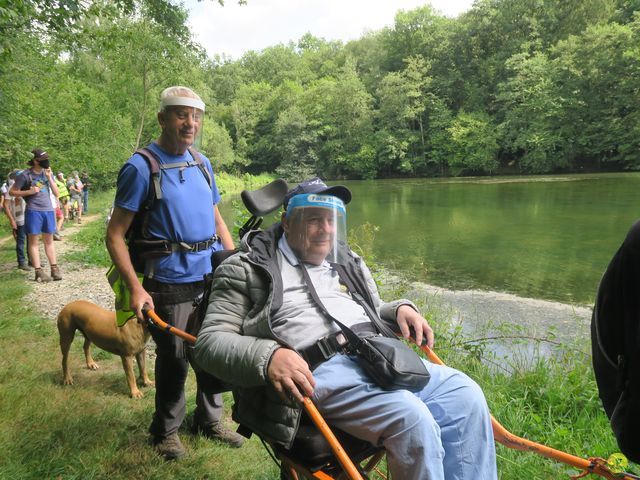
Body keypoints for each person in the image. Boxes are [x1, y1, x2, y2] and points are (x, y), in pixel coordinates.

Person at [194, 177, 498, 479]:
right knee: (412, 418)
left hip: (376, 355)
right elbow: (210, 342)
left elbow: (373, 308)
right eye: (313, 220)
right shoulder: (245, 268)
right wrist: (269, 355)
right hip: (319, 371)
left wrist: (400, 309)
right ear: (287, 222)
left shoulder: (346, 260)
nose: (326, 230)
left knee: (466, 395)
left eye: (330, 220)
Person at [106, 85, 244, 461]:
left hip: (209, 275)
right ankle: (165, 430)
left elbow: (216, 215)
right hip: (167, 279)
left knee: (214, 348)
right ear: (163, 118)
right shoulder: (140, 167)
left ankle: (209, 419)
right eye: (181, 114)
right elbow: (115, 235)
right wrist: (135, 289)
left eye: (196, 115)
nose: (190, 123)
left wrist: (230, 259)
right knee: (175, 356)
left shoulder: (202, 162)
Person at [9, 149, 62, 282]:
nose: (46, 162)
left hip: (48, 210)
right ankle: (38, 271)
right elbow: (12, 192)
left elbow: (56, 193)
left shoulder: (47, 172)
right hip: (33, 211)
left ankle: (54, 269)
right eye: (43, 160)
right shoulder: (25, 175)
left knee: (49, 241)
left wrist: (50, 177)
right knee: (34, 242)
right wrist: (29, 191)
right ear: (35, 160)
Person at [2, 169, 29, 270]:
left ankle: (32, 260)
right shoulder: (11, 188)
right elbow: (6, 205)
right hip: (19, 218)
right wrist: (12, 220)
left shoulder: (26, 186)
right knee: (21, 240)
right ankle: (21, 262)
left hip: (28, 215)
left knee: (31, 239)